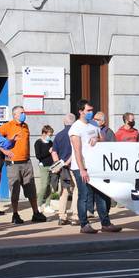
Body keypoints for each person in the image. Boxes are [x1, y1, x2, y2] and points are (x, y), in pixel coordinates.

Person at [69, 99, 122, 234]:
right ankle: (84, 224)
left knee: (101, 194)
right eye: (88, 110)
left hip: (96, 166)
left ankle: (106, 223)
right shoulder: (76, 128)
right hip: (81, 167)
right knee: (84, 195)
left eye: (91, 110)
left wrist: (97, 139)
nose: (90, 113)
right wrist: (82, 169)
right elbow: (77, 151)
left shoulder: (93, 123)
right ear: (81, 111)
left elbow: (103, 139)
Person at [0, 106, 47, 224]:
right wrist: (4, 151)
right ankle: (15, 214)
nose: (24, 114)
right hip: (13, 164)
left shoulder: (25, 126)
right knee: (15, 190)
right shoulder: (8, 126)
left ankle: (36, 213)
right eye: (21, 112)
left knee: (31, 189)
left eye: (24, 112)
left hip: (26, 162)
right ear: (15, 115)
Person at [51, 113, 78, 226]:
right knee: (77, 189)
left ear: (64, 122)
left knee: (64, 190)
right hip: (74, 166)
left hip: (63, 168)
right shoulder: (75, 134)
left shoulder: (59, 135)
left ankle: (62, 216)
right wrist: (68, 162)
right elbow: (76, 150)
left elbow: (54, 151)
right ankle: (75, 216)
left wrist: (59, 165)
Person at [34, 125, 57, 215]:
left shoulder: (50, 142)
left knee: (49, 186)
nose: (50, 137)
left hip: (51, 166)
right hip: (43, 166)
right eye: (49, 135)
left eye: (51, 135)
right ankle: (38, 205)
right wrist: (48, 151)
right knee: (43, 186)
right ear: (44, 133)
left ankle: (47, 205)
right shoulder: (38, 143)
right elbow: (38, 156)